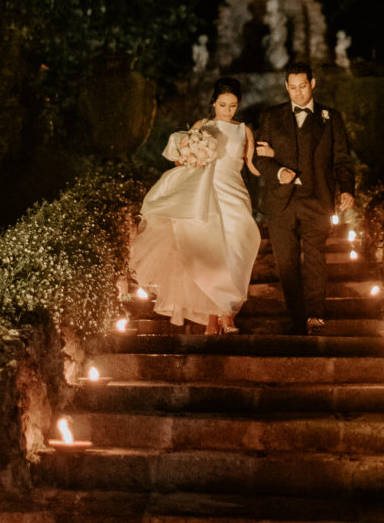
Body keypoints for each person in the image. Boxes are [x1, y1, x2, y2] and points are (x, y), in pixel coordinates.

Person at [130, 78, 261, 335]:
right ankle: (218, 317)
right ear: (214, 103)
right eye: (223, 105)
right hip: (205, 193)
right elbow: (182, 161)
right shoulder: (202, 126)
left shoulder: (244, 130)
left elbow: (252, 165)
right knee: (211, 254)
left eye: (233, 105)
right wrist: (192, 155)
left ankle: (227, 310)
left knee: (239, 247)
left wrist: (272, 159)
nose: (228, 110)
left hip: (234, 192)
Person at [253, 62, 355, 336]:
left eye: (303, 87)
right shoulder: (272, 117)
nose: (298, 93)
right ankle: (297, 318)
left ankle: (315, 316)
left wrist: (347, 189)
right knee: (286, 264)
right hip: (281, 203)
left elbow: (342, 159)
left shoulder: (330, 117)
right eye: (292, 88)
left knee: (314, 258)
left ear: (312, 84)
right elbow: (257, 160)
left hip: (317, 199)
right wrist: (278, 171)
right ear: (286, 87)